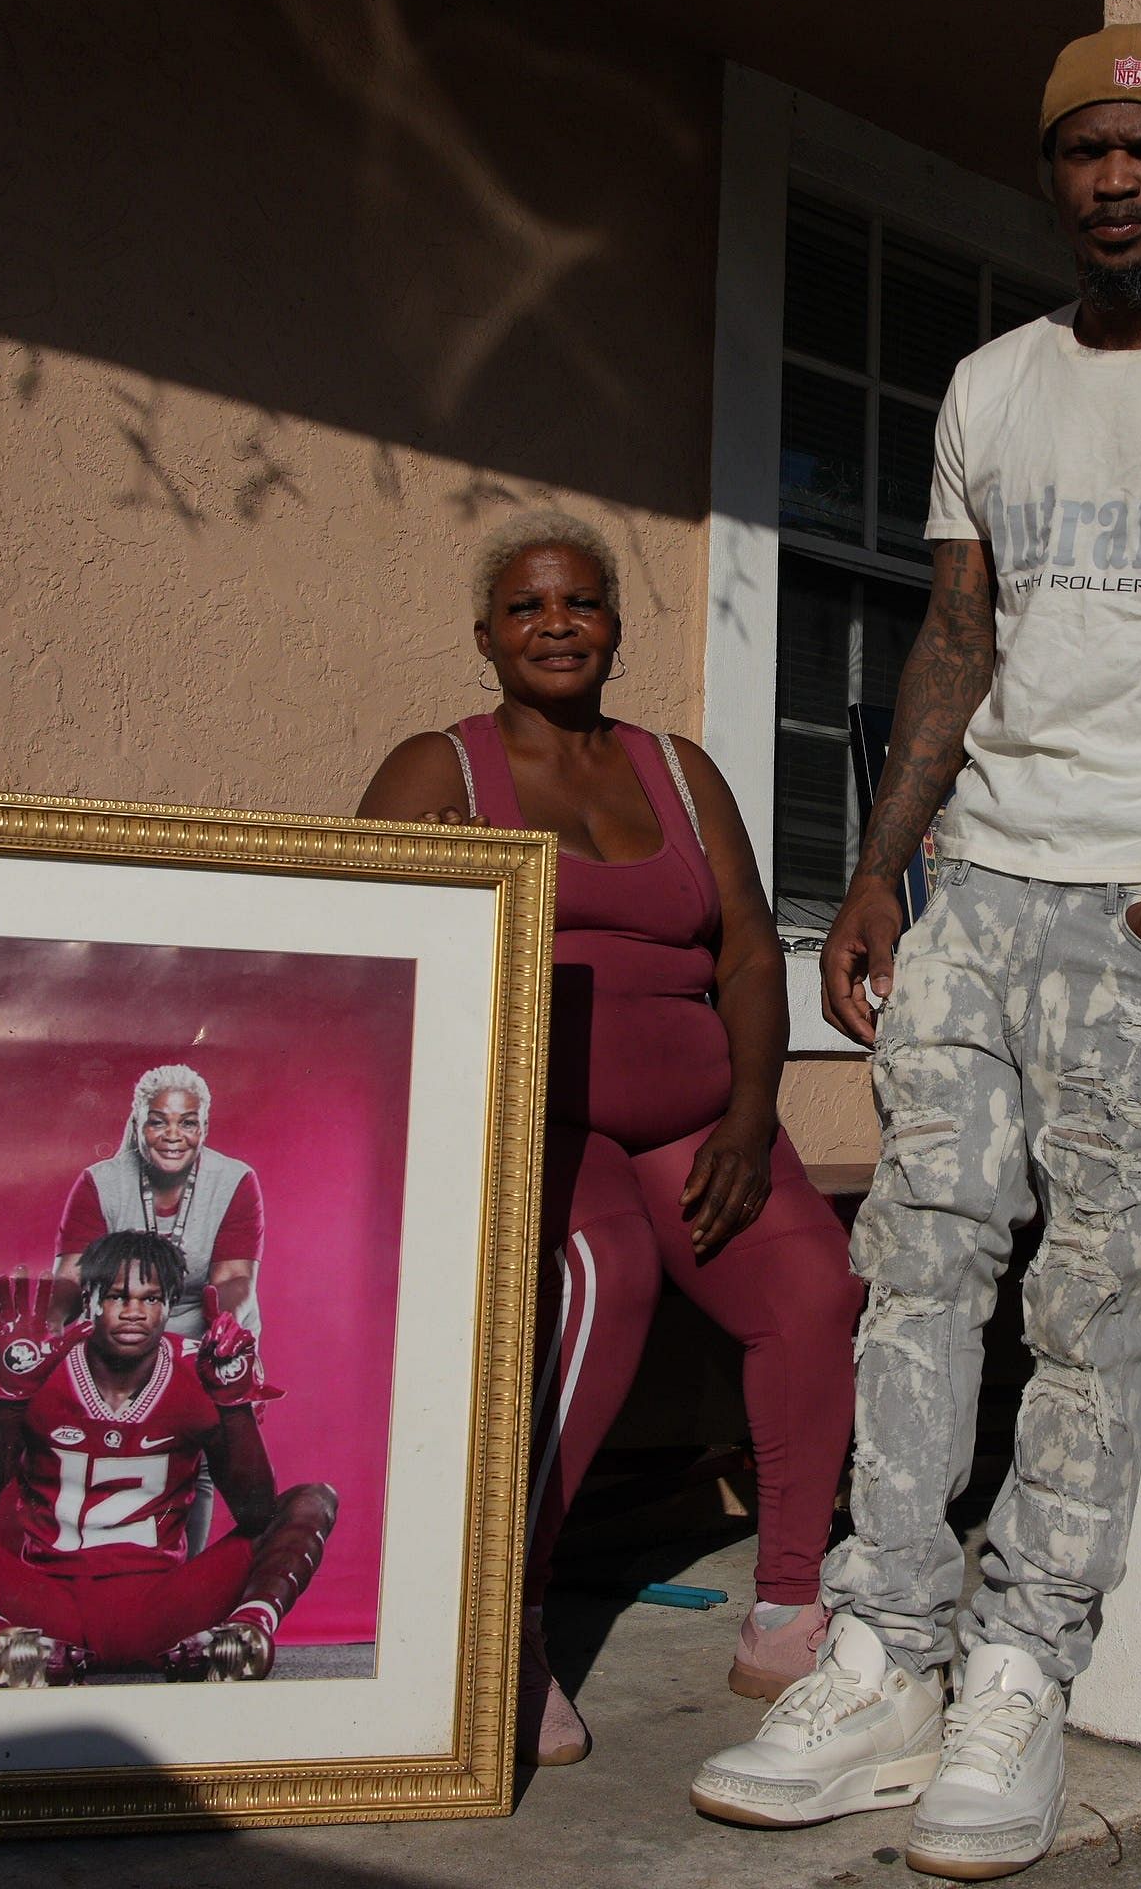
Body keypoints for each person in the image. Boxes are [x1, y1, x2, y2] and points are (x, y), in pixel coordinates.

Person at [692, 24, 1141, 1879]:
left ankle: (1022, 1673)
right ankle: (884, 1653)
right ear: (1053, 173)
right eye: (1084, 150)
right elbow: (953, 641)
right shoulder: (992, 385)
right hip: (974, 894)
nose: (1114, 179)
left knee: (1086, 1309)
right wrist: (873, 872)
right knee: (917, 1265)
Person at [358, 510, 866, 1768]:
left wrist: (753, 1115)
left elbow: (748, 945)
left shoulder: (680, 770)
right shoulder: (441, 769)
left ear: (615, 630)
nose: (555, 624)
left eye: (580, 603)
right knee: (605, 1279)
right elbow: (361, 939)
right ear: (486, 637)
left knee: (812, 1287)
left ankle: (790, 1607)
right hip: (540, 1115)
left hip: (699, 1116)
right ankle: (504, 1628)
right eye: (526, 607)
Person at [0, 1230, 337, 1686]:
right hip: (46, 1605)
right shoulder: (40, 1358)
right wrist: (12, 1394)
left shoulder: (201, 1366)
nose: (134, 1312)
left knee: (312, 1501)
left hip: (163, 1604)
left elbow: (256, 1513)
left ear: (169, 1307)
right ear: (89, 1299)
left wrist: (232, 1406)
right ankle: (1, 1647)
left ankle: (243, 1638)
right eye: (117, 1295)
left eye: (152, 1298)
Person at [55, 1064, 263, 1339]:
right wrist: (49, 1321)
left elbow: (232, 1278)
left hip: (202, 1337)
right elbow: (72, 1277)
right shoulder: (99, 1183)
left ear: (204, 1128)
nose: (173, 1136)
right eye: (157, 1122)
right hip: (117, 1338)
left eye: (188, 1122)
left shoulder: (235, 1180)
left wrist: (223, 1327)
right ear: (137, 1125)